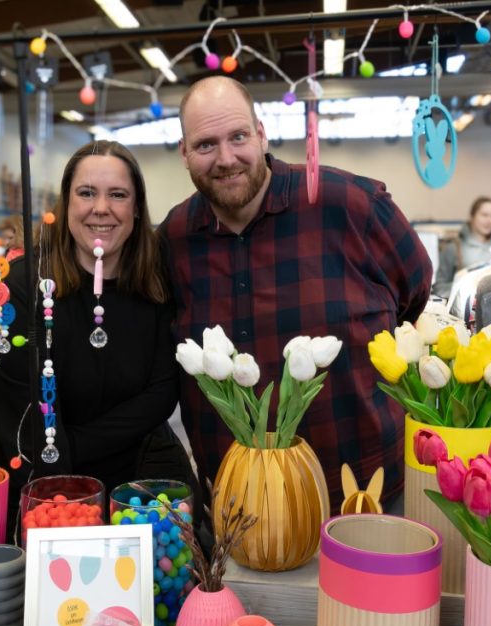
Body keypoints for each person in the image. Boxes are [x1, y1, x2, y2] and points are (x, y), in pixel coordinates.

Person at [159, 76, 432, 507]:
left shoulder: (352, 206)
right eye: (206, 145)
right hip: (236, 506)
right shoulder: (172, 240)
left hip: (360, 496)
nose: (226, 158)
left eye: (238, 137)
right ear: (184, 153)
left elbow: (414, 298)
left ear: (261, 134)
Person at [0, 140, 190, 537]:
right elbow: (21, 414)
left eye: (118, 195)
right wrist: (64, 464)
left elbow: (162, 392)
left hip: (135, 478)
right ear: (66, 202)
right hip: (38, 480)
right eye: (87, 192)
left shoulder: (156, 282)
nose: (101, 207)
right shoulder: (18, 287)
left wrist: (73, 445)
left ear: (137, 208)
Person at [433, 196, 491, 298]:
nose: (489, 220)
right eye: (484, 215)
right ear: (472, 216)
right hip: (465, 311)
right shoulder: (454, 248)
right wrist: (467, 287)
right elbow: (439, 288)